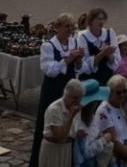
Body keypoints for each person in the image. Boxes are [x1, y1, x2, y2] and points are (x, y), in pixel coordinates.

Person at [31, 13, 86, 167]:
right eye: (66, 26)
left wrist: (79, 59)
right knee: (49, 124)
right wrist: (68, 59)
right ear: (58, 28)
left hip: (69, 88)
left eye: (71, 26)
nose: (69, 29)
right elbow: (49, 70)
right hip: (53, 90)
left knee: (70, 120)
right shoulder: (48, 46)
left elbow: (79, 69)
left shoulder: (74, 43)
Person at [38, 76, 85, 167]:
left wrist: (77, 133)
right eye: (75, 97)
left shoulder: (75, 107)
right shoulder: (54, 109)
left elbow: (72, 129)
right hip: (53, 149)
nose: (77, 101)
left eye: (80, 98)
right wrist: (71, 116)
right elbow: (60, 137)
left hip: (66, 149)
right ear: (66, 94)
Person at [80, 7, 120, 85]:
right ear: (91, 21)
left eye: (103, 19)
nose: (101, 21)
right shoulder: (82, 38)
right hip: (89, 81)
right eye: (98, 19)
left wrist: (109, 56)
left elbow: (116, 61)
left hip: (107, 78)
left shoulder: (110, 33)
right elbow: (84, 67)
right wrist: (102, 54)